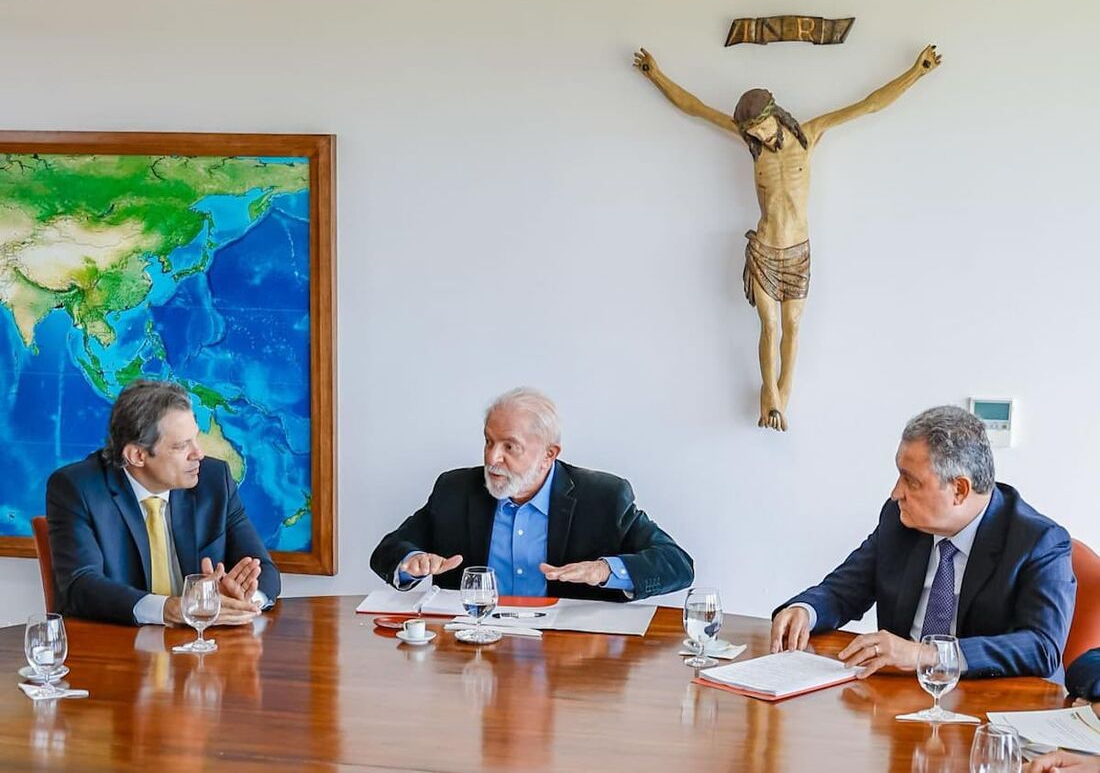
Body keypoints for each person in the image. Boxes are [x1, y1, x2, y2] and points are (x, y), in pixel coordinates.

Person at [633, 45, 941, 431]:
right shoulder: (753, 146)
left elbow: (869, 105)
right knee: (770, 326)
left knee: (793, 325)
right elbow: (695, 106)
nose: (758, 136)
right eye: (751, 132)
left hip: (797, 251)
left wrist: (917, 71)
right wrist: (654, 74)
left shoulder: (809, 135)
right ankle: (772, 399)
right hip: (763, 248)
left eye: (761, 128)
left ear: (774, 115)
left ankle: (782, 397)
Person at [770, 406, 1076, 679]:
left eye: (911, 481)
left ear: (959, 489)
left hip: (990, 710)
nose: (895, 493)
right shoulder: (900, 520)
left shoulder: (1039, 541)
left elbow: (1042, 647)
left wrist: (927, 655)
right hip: (900, 701)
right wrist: (804, 610)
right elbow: (843, 590)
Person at [370, 387, 694, 601]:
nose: (492, 458)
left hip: (567, 666)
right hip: (473, 656)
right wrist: (412, 560)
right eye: (488, 441)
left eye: (510, 446)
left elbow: (677, 564)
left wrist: (605, 570)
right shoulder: (455, 491)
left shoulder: (603, 498)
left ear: (549, 454)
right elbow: (388, 550)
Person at [46, 379, 281, 625]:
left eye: (195, 438)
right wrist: (169, 608)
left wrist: (242, 601)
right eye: (181, 446)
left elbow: (262, 567)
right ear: (137, 455)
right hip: (119, 648)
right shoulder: (78, 488)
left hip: (203, 647)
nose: (198, 453)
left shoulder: (213, 480)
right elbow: (80, 585)